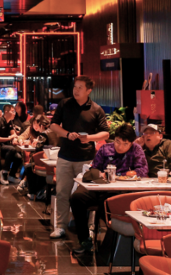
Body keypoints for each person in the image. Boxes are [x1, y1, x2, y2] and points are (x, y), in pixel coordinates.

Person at [70, 124, 148, 255]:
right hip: (100, 187)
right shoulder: (105, 149)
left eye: (125, 143)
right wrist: (99, 174)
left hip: (122, 192)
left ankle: (110, 245)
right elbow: (94, 168)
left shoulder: (136, 149)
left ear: (131, 143)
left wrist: (125, 175)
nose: (120, 146)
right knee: (76, 198)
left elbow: (143, 170)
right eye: (117, 141)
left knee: (107, 204)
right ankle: (84, 240)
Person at [48, 75, 109, 239]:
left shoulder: (96, 109)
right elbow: (53, 125)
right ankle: (60, 226)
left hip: (86, 159)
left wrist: (88, 138)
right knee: (62, 193)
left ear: (89, 90)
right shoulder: (65, 104)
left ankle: (87, 227)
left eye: (80, 87)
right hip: (65, 157)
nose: (76, 90)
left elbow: (106, 133)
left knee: (84, 195)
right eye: (75, 87)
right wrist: (67, 134)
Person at [16, 110, 60, 199]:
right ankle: (31, 186)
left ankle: (32, 192)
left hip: (45, 162)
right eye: (34, 124)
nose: (35, 126)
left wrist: (35, 144)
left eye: (37, 124)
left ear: (41, 125)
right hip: (56, 161)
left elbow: (38, 149)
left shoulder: (44, 134)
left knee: (29, 166)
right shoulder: (56, 131)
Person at [0, 104, 24, 185]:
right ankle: (4, 173)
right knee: (11, 149)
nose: (14, 113)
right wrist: (9, 138)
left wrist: (15, 139)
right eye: (12, 111)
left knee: (19, 157)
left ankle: (11, 176)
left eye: (14, 111)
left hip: (6, 147)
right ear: (6, 112)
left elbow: (13, 134)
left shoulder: (10, 122)